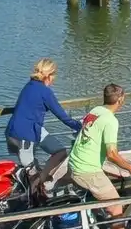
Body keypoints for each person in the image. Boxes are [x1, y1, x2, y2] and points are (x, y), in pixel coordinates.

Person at [67, 83, 131, 229]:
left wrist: (121, 166)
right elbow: (112, 154)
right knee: (116, 207)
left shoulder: (95, 111)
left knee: (109, 187)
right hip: (87, 170)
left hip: (76, 163)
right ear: (121, 99)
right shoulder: (111, 120)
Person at [5, 59, 81, 198]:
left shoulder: (29, 85)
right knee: (32, 176)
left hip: (26, 130)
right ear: (49, 75)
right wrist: (80, 126)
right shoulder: (45, 92)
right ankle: (32, 201)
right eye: (54, 75)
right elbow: (62, 116)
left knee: (60, 151)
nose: (54, 79)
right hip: (24, 136)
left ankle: (42, 180)